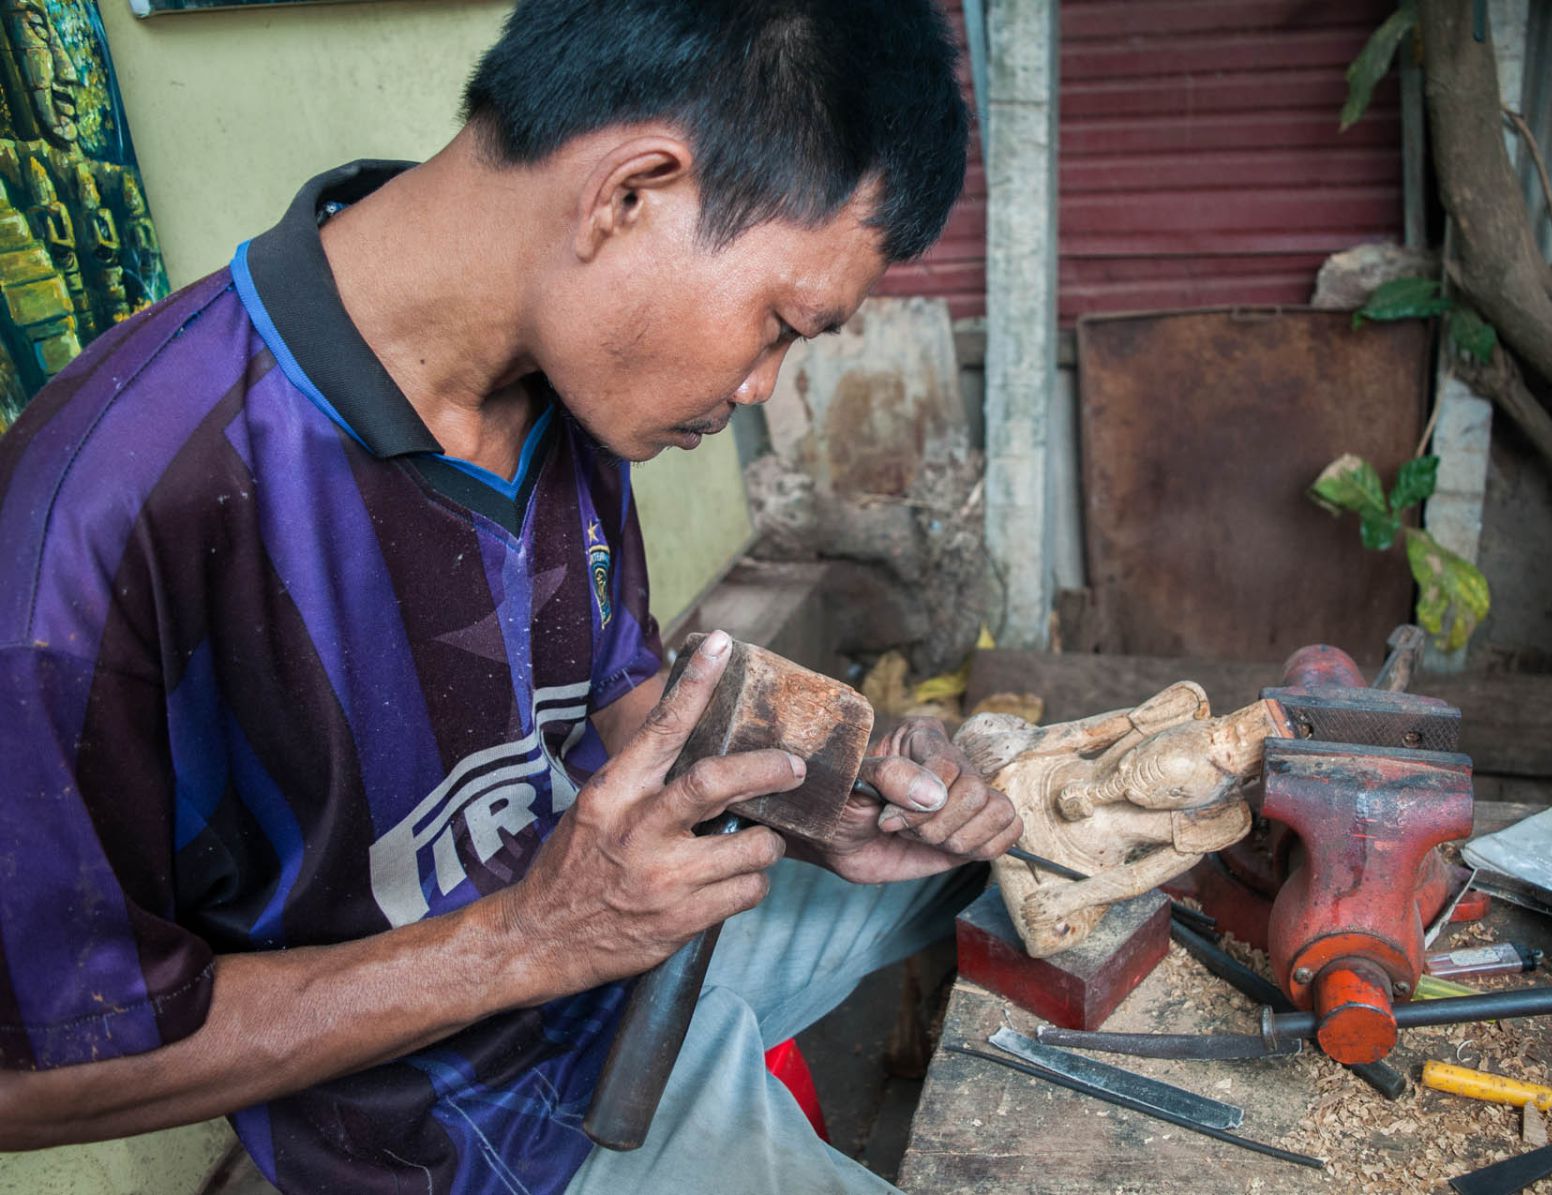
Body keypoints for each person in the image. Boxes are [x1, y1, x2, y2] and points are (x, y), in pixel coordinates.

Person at [0, 2, 1021, 1191]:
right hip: (472, 1130)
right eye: (781, 326)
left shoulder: (569, 373)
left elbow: (616, 689)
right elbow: (27, 1076)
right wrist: (528, 938)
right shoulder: (104, 512)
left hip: (631, 941)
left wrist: (831, 792)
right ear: (629, 194)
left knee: (1023, 849)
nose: (760, 387)